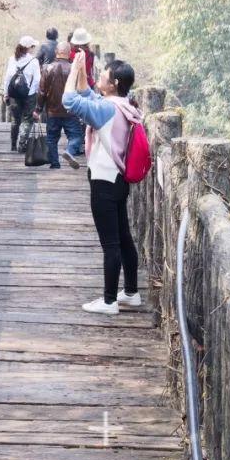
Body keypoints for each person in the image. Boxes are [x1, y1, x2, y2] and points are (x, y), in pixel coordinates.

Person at [62, 51, 143, 316]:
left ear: (114, 83)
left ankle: (109, 301)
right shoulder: (123, 104)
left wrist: (73, 72)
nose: (100, 78)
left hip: (104, 182)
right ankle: (130, 293)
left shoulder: (107, 110)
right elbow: (89, 96)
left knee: (110, 244)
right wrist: (83, 71)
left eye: (104, 76)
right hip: (118, 180)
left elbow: (70, 100)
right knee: (124, 238)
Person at [37, 42, 85, 170]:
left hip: (52, 111)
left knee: (52, 138)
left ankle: (55, 164)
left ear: (56, 52)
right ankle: (69, 151)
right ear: (69, 53)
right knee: (76, 136)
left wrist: (38, 109)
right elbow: (81, 89)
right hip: (71, 110)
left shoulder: (47, 68)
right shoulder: (73, 69)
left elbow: (42, 91)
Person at [3, 37, 41, 153]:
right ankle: (22, 144)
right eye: (32, 47)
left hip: (14, 94)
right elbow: (37, 80)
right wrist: (32, 93)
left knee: (15, 120)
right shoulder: (34, 61)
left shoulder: (12, 59)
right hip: (29, 95)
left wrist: (6, 93)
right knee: (27, 120)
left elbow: (8, 78)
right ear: (28, 48)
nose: (33, 49)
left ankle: (13, 145)